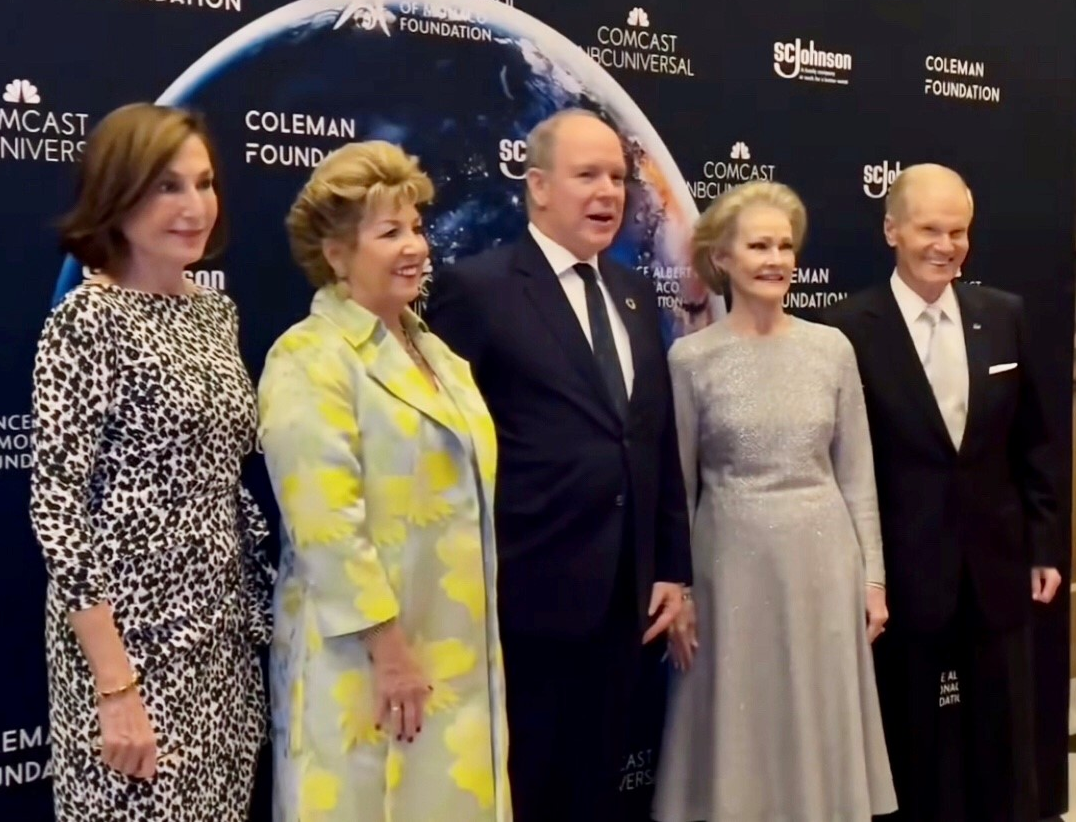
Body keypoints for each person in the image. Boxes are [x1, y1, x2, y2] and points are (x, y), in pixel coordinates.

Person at [424, 108, 692, 822]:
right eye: (588, 176)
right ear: (538, 186)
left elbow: (651, 437)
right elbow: (444, 452)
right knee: (526, 785)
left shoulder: (635, 297)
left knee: (596, 784)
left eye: (617, 177)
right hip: (524, 592)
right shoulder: (476, 290)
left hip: (624, 596)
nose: (609, 191)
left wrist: (670, 564)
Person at [29, 103, 271, 821]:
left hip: (220, 647)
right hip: (127, 654)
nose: (194, 207)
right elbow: (58, 510)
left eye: (204, 183)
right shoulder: (85, 320)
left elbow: (223, 479)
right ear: (118, 192)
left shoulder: (212, 314)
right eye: (168, 186)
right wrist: (115, 687)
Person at [258, 141, 511, 822]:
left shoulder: (438, 353)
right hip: (368, 672)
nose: (415, 247)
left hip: (454, 659)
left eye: (418, 227)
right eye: (389, 231)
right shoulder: (308, 357)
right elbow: (326, 526)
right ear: (336, 254)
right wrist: (390, 651)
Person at [821, 163, 1062, 822]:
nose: (946, 245)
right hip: (901, 574)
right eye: (931, 228)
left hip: (996, 565)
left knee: (1002, 745)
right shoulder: (846, 328)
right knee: (908, 744)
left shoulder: (1004, 316)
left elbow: (1035, 444)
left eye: (959, 232)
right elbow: (842, 463)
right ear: (891, 229)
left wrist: (1045, 547)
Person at [650, 181, 897, 821]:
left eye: (785, 246)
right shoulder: (689, 359)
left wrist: (872, 579)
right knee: (741, 720)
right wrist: (680, 589)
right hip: (727, 564)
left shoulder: (831, 349)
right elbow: (675, 486)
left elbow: (857, 475)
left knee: (817, 715)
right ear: (721, 259)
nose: (776, 259)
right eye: (759, 245)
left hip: (823, 561)